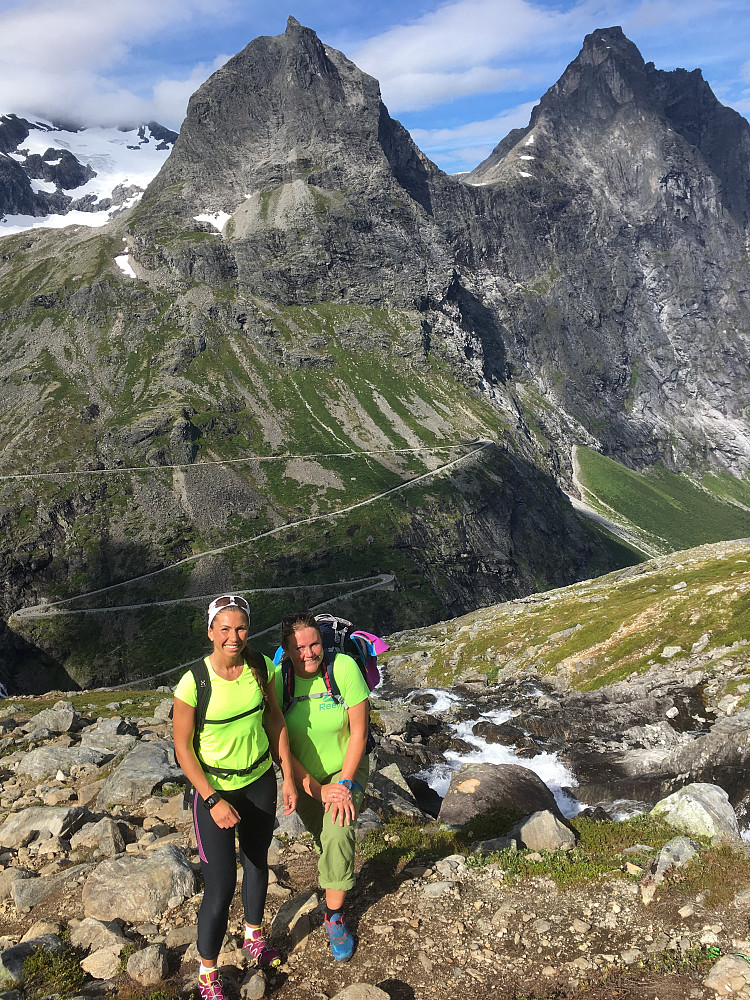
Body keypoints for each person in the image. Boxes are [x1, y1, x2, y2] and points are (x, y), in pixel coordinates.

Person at [173, 595, 297, 1000]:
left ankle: (254, 938)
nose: (233, 636)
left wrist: (288, 775)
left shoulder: (261, 667)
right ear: (210, 631)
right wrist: (211, 799)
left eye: (240, 628)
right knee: (221, 884)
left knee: (258, 861)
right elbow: (183, 749)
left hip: (259, 779)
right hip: (216, 790)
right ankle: (208, 973)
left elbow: (274, 718)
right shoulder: (194, 682)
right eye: (224, 629)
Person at [274, 611, 370, 962]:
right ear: (287, 650)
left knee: (337, 827)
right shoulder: (279, 679)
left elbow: (360, 730)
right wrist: (314, 788)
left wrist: (343, 782)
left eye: (315, 644)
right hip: (301, 777)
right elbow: (279, 744)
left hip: (348, 768)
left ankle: (334, 918)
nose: (309, 653)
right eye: (300, 648)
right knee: (324, 838)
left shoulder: (342, 668)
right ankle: (336, 874)